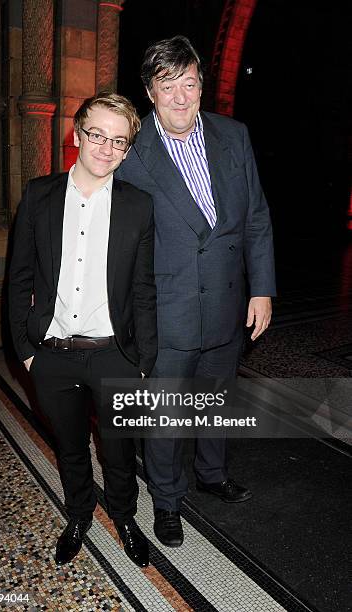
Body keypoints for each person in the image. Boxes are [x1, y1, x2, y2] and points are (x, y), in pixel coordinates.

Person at [116, 35, 276, 547]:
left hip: (229, 300)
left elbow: (255, 218)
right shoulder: (133, 152)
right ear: (150, 91)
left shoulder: (234, 135)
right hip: (169, 307)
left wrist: (263, 289)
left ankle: (212, 474)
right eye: (168, 85)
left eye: (189, 83)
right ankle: (166, 500)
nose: (180, 97)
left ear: (202, 85)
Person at [9, 92, 157, 568]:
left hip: (116, 354)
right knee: (70, 446)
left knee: (119, 450)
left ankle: (125, 516)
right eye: (97, 134)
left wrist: (143, 361)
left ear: (127, 149)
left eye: (119, 140)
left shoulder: (139, 206)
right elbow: (19, 278)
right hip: (52, 353)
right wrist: (27, 351)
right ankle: (78, 514)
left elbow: (143, 288)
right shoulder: (38, 195)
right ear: (77, 135)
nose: (106, 147)